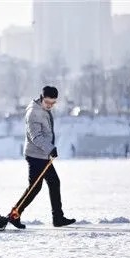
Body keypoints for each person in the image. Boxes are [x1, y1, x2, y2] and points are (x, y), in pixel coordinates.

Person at [9, 86, 75, 229]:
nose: (50, 105)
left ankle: (58, 218)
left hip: (42, 155)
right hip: (35, 155)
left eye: (53, 103)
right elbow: (36, 137)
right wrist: (50, 148)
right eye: (47, 102)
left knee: (54, 183)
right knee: (34, 188)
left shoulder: (42, 109)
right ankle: (13, 215)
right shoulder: (34, 112)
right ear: (41, 98)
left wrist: (49, 150)